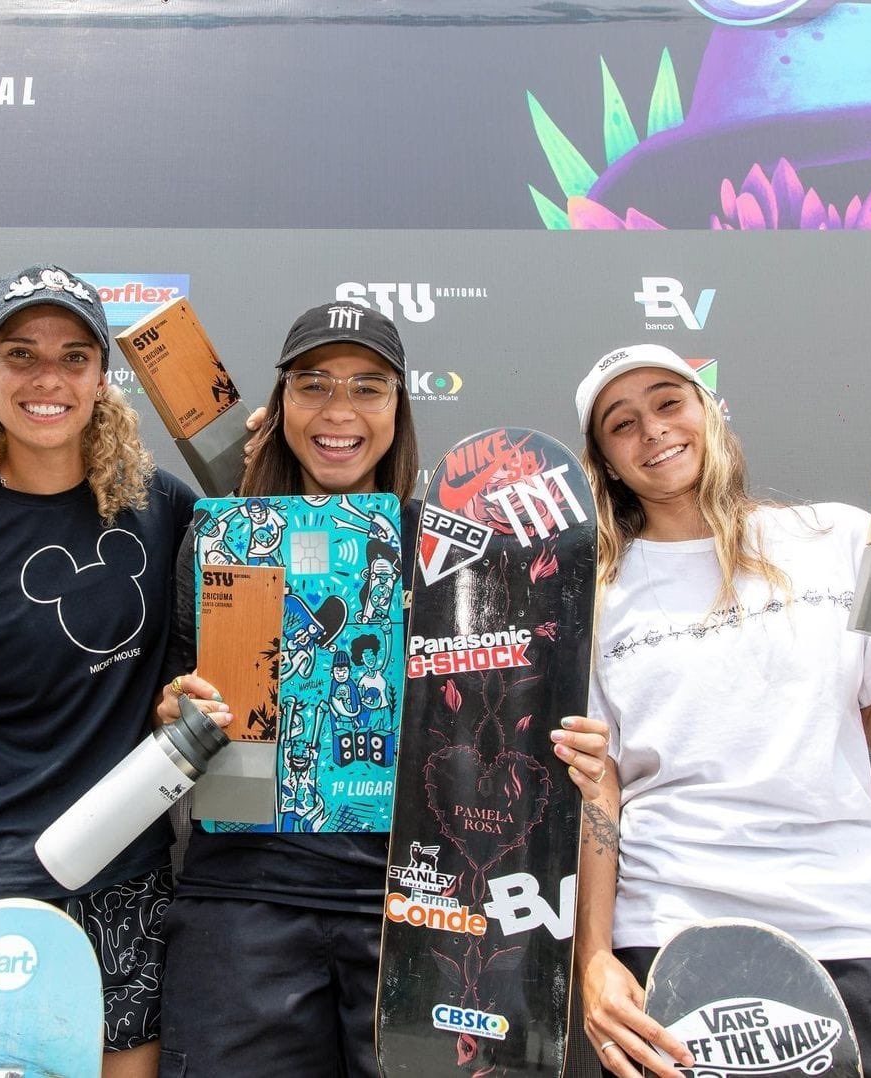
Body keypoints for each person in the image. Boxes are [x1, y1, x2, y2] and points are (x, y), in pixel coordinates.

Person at [155, 301, 611, 1077]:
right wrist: (172, 715)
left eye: (369, 388)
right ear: (282, 404)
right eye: (314, 386)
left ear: (399, 408)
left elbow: (513, 710)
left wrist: (568, 751)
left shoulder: (461, 550)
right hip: (243, 898)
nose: (340, 411)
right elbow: (172, 697)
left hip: (412, 913)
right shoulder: (221, 534)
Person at [0, 264, 229, 1078]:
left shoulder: (159, 508)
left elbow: (263, 557)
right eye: (21, 354)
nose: (46, 378)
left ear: (103, 378)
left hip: (128, 880)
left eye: (72, 356)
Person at [569, 342, 871, 1078]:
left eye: (669, 402)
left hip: (859, 921)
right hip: (673, 933)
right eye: (622, 422)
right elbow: (596, 785)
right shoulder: (591, 594)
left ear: (709, 411)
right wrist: (595, 956)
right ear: (606, 460)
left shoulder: (836, 536)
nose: (653, 430)